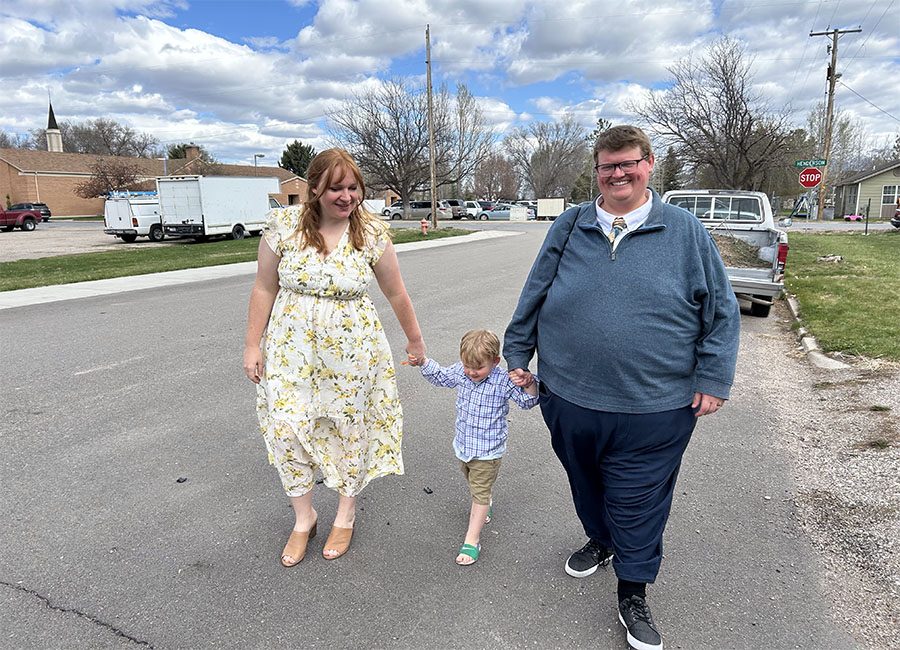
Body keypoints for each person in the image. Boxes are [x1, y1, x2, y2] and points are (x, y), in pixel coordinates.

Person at [503, 125, 740, 650]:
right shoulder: (569, 225)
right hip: (567, 396)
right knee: (586, 483)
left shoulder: (683, 231)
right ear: (597, 172)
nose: (618, 174)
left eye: (628, 163)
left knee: (638, 499)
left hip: (655, 405)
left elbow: (721, 311)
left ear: (649, 164)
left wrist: (714, 376)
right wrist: (516, 352)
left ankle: (633, 589)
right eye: (607, 166)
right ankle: (601, 539)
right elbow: (536, 290)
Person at [243, 148, 425, 567]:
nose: (347, 197)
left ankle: (346, 511)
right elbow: (264, 288)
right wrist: (253, 344)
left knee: (348, 430)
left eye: (353, 187)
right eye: (336, 188)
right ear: (314, 189)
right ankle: (304, 517)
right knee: (286, 429)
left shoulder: (372, 232)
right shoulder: (283, 226)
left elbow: (395, 291)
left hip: (352, 354)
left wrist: (415, 341)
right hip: (291, 351)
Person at [408, 329, 538, 565]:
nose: (471, 372)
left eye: (478, 368)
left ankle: (472, 539)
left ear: (495, 362)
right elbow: (442, 376)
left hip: (488, 452)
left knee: (478, 492)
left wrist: (529, 383)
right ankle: (485, 501)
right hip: (464, 445)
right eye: (467, 366)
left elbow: (527, 401)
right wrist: (423, 362)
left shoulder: (502, 381)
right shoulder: (462, 372)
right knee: (472, 482)